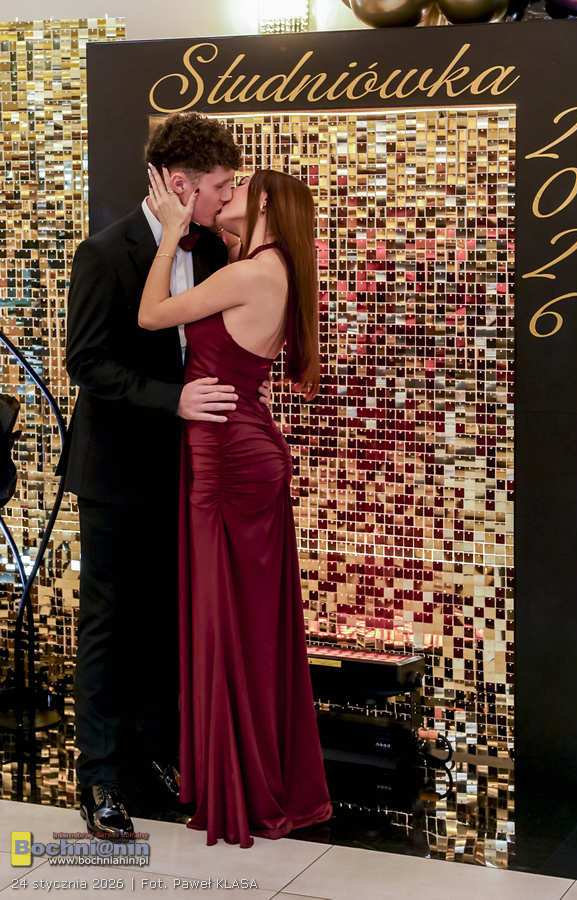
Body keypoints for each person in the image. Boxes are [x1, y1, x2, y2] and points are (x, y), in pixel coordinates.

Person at [56, 113, 272, 838]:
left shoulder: (214, 250)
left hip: (192, 471)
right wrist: (172, 399)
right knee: (110, 623)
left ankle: (160, 755)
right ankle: (100, 778)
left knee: (169, 618)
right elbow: (87, 363)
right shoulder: (104, 253)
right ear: (180, 185)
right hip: (117, 472)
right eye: (219, 186)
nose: (227, 196)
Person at [140, 162, 333, 847]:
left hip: (228, 458)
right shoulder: (267, 266)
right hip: (242, 448)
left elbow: (151, 315)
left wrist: (170, 232)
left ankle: (243, 782)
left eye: (240, 188)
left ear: (268, 208)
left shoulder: (250, 273)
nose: (228, 193)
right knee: (247, 622)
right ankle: (253, 774)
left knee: (229, 620)